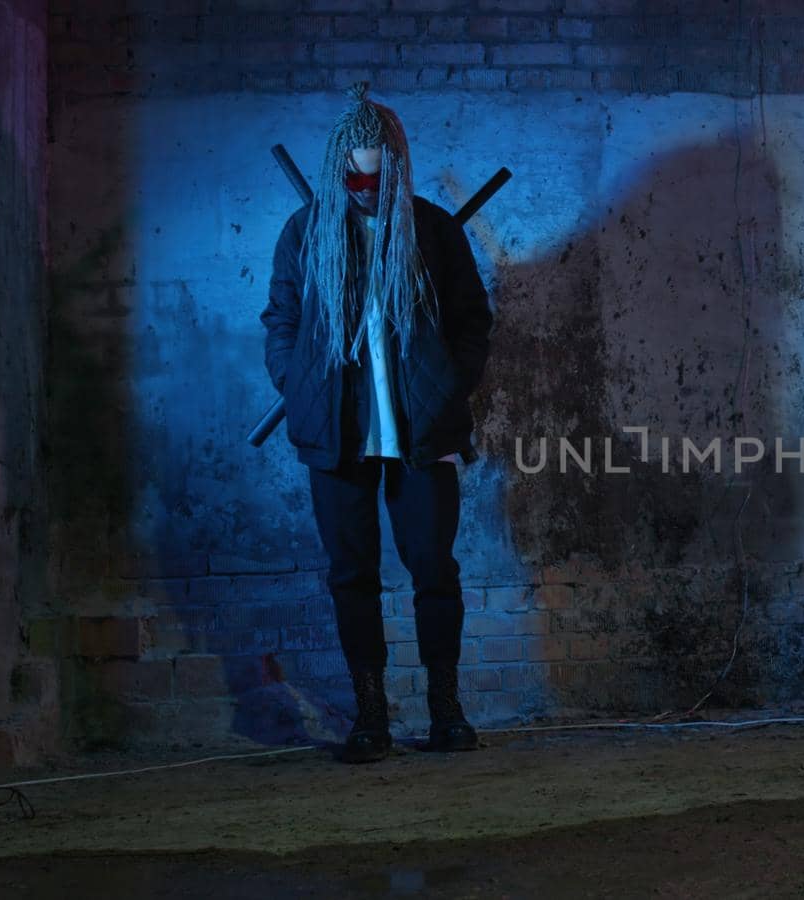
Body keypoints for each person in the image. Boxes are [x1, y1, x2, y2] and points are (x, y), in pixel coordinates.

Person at [259, 82, 494, 764]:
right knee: (351, 575)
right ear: (338, 167)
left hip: (423, 435)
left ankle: (446, 712)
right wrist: (297, 387)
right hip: (335, 437)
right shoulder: (306, 234)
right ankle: (371, 718)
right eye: (352, 172)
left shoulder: (433, 231)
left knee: (434, 572)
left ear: (396, 165)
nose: (363, 185)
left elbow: (472, 322)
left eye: (376, 171)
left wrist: (450, 390)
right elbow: (281, 322)